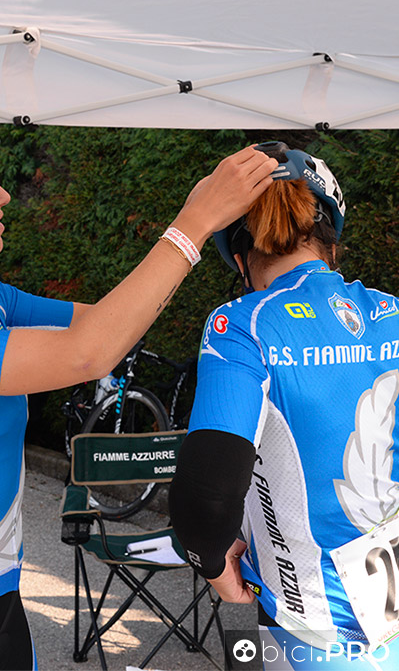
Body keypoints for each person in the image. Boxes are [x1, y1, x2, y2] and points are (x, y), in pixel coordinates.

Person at [0, 90, 276, 671]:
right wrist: (192, 225)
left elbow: (109, 324)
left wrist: (215, 224)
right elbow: (89, 353)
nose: (3, 196)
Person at [169, 140, 399, 670]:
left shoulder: (241, 325)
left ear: (243, 257)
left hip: (307, 631)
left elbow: (204, 499)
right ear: (330, 243)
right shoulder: (390, 314)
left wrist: (224, 582)